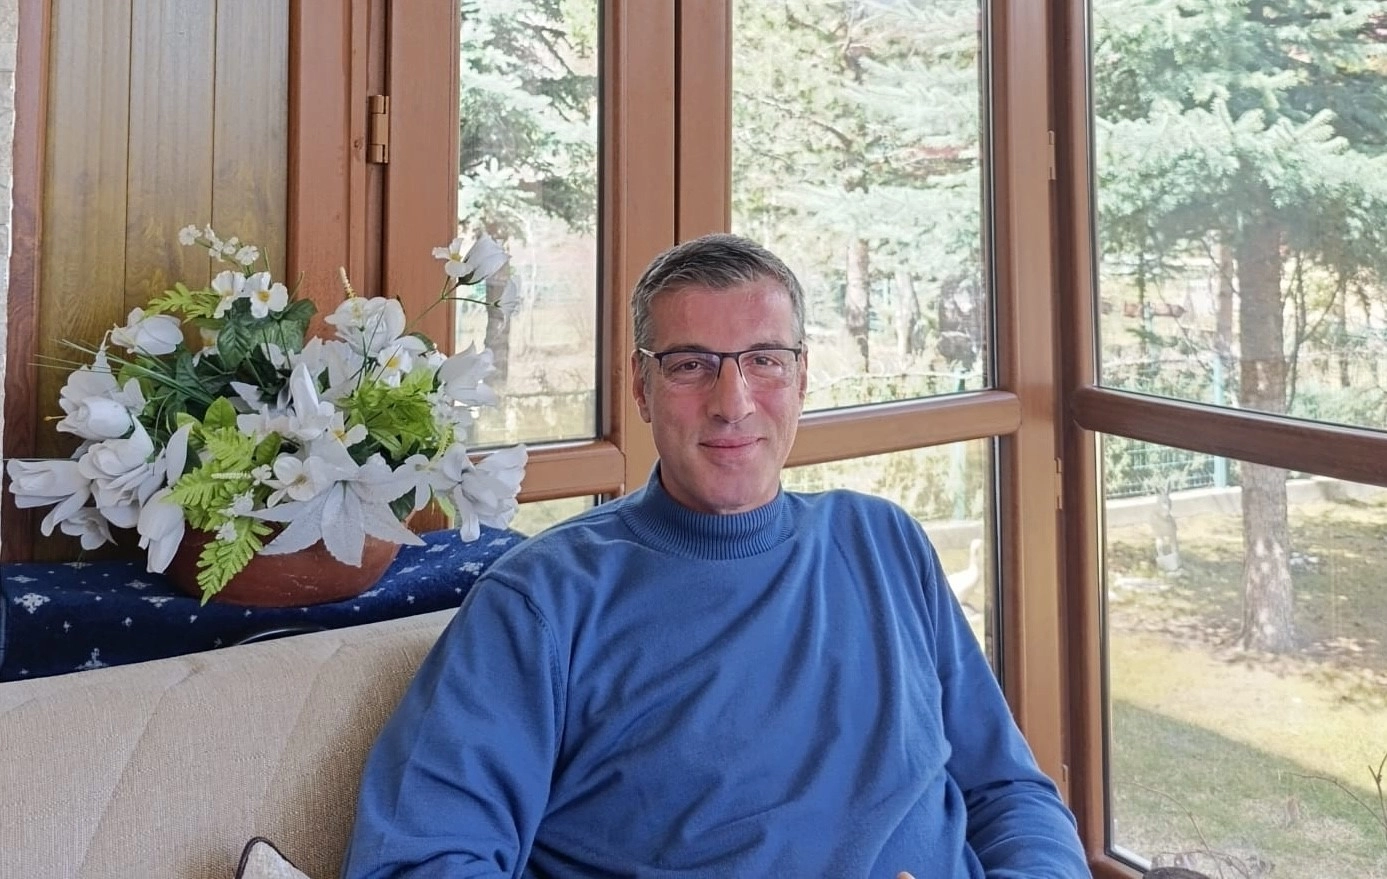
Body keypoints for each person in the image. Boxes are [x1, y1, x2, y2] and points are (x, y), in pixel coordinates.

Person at [342, 234, 1089, 878]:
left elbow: (1009, 793)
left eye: (764, 359)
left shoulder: (883, 541)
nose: (733, 402)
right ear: (641, 386)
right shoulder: (543, 600)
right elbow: (420, 861)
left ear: (801, 375)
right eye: (691, 364)